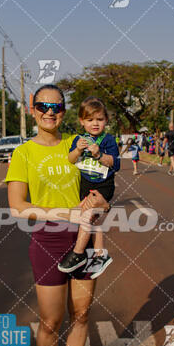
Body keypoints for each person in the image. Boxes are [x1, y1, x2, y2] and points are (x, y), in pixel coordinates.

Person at [6, 84, 110, 346]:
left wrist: (101, 205)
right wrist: (65, 213)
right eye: (43, 106)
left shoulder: (79, 143)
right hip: (47, 242)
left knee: (81, 315)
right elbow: (18, 207)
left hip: (84, 240)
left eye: (56, 107)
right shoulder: (23, 152)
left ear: (64, 112)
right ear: (32, 108)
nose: (50, 112)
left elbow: (101, 190)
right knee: (51, 320)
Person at [58, 97, 120, 279]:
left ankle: (77, 254)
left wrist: (99, 154)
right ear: (82, 121)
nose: (95, 124)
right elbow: (70, 159)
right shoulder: (79, 139)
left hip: (103, 185)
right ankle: (100, 255)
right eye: (90, 120)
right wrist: (77, 150)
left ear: (106, 121)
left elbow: (114, 164)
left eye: (99, 120)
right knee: (88, 218)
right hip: (86, 184)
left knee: (87, 216)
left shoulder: (108, 140)